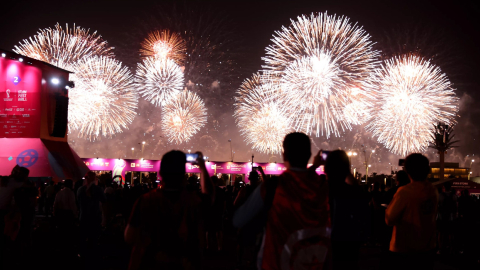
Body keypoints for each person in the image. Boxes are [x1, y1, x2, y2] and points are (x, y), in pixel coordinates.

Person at [233, 132, 331, 269]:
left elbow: (238, 220)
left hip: (277, 263)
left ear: (284, 155)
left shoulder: (274, 187)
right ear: (309, 156)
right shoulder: (323, 187)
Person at [124, 151, 214, 270]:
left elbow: (129, 236)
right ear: (184, 176)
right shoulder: (193, 202)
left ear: (161, 173)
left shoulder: (146, 200)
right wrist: (202, 167)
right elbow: (209, 195)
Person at [385, 153, 438, 270]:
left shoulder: (405, 192)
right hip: (427, 247)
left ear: (407, 171)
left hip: (404, 249)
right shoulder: (432, 190)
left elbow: (390, 219)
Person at [325, 150, 370, 270]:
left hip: (322, 247)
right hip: (348, 246)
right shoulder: (354, 192)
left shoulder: (318, 191)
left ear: (326, 168)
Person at [77, 171, 106, 256]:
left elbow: (78, 202)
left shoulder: (80, 190)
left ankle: (82, 255)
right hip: (95, 217)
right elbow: (104, 200)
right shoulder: (98, 189)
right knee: (93, 238)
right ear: (94, 179)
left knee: (83, 237)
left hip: (83, 216)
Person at [53, 179, 77, 247]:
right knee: (68, 231)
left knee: (61, 230)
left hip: (60, 213)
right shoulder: (70, 193)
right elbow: (72, 205)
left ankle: (60, 244)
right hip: (68, 214)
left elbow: (55, 204)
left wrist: (54, 213)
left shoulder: (59, 192)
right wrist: (75, 214)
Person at [205, 176, 226, 251]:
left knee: (208, 230)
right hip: (218, 212)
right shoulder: (221, 191)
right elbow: (224, 203)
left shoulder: (208, 190)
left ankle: (208, 246)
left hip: (209, 212)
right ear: (217, 182)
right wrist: (223, 211)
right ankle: (219, 246)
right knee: (219, 230)